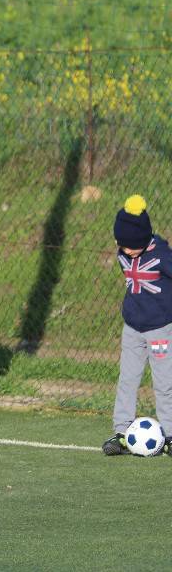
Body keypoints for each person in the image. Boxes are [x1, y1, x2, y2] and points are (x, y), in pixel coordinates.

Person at [103, 195, 172, 456]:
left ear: (143, 239)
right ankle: (122, 432)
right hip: (132, 327)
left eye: (129, 245)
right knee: (128, 378)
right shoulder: (124, 253)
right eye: (120, 244)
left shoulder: (163, 255)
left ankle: (170, 434)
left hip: (160, 329)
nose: (124, 249)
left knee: (165, 383)